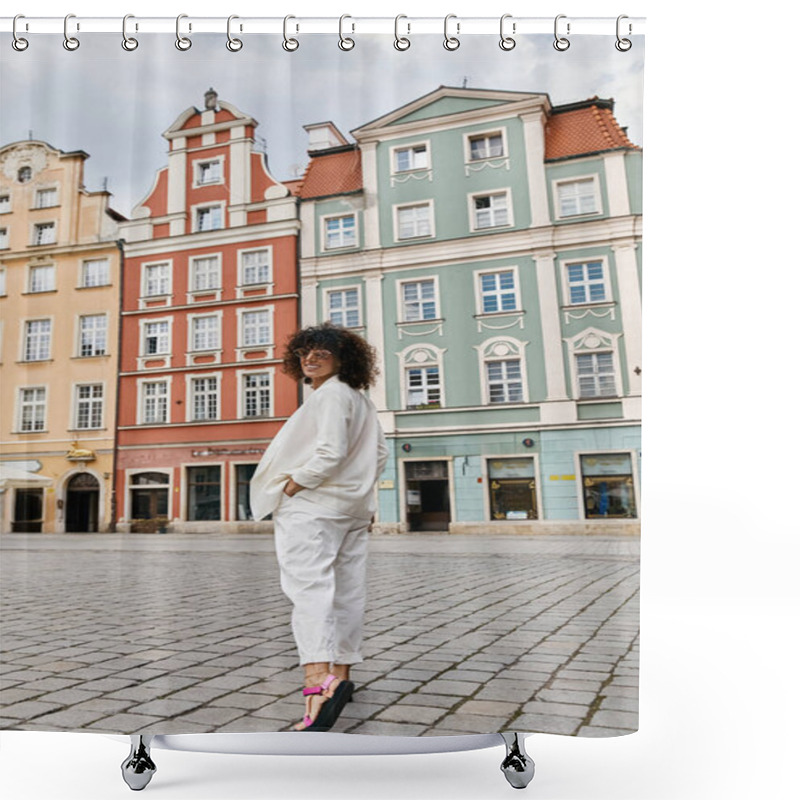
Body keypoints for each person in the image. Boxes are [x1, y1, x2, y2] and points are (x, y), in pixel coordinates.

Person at [250, 323, 388, 732]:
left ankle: (317, 685)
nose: (309, 358)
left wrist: (295, 484)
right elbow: (378, 453)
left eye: (321, 353)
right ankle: (341, 675)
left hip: (313, 508)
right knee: (347, 592)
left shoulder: (329, 397)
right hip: (351, 509)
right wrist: (363, 494)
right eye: (304, 353)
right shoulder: (359, 400)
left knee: (309, 592)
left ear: (343, 359)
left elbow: (330, 452)